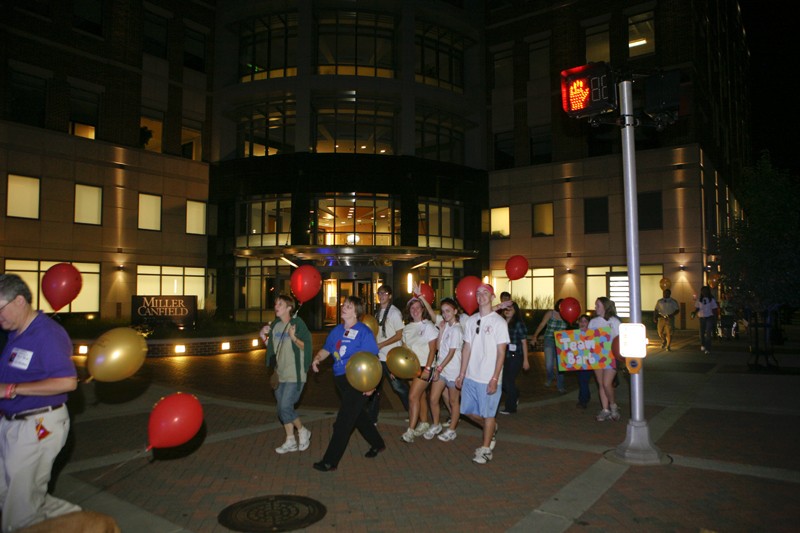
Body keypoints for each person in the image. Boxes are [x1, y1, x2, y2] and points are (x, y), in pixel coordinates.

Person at [0, 274, 81, 531]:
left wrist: (12, 390)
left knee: (19, 510)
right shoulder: (16, 333)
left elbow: (68, 381)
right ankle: (83, 522)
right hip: (13, 423)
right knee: (11, 495)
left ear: (20, 301)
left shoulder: (47, 334)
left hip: (39, 424)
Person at [310, 296, 385, 471]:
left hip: (358, 381)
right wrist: (317, 358)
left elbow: (373, 360)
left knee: (343, 422)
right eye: (344, 305)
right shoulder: (336, 330)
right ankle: (378, 443)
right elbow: (327, 349)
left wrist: (372, 385)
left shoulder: (363, 332)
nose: (343, 308)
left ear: (356, 312)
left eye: (348, 306)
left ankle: (330, 461)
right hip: (340, 380)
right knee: (358, 416)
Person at [456, 283, 509, 465]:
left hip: (489, 377)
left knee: (488, 414)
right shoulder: (471, 321)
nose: (481, 295)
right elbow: (467, 348)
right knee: (467, 411)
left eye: (485, 293)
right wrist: (461, 374)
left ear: (492, 296)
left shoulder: (499, 322)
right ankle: (491, 427)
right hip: (471, 375)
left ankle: (485, 450)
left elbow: (501, 353)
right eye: (478, 293)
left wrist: (495, 377)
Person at [261, 294, 313, 454]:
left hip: (295, 374)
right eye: (276, 304)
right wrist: (263, 336)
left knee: (285, 406)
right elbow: (273, 349)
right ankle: (290, 440)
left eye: (280, 304)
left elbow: (308, 346)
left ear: (289, 308)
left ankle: (303, 430)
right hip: (280, 374)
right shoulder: (275, 325)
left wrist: (294, 337)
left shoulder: (298, 323)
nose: (276, 307)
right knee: (282, 409)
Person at [417, 296, 463, 441]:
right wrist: (421, 297)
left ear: (455, 311)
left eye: (448, 311)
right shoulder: (446, 326)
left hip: (453, 370)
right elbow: (438, 348)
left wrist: (439, 368)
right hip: (441, 369)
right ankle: (436, 424)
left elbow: (451, 353)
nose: (445, 314)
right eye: (443, 311)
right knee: (433, 398)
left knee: (453, 401)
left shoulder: (457, 329)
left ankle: (452, 429)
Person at [399, 298, 439, 443]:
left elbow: (433, 349)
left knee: (412, 397)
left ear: (423, 310)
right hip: (411, 367)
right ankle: (424, 422)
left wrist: (428, 368)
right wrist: (396, 369)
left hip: (425, 366)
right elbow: (404, 350)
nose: (415, 310)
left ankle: (410, 431)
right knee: (420, 396)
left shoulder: (428, 326)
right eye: (412, 308)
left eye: (418, 307)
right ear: (409, 311)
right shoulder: (407, 328)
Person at [367, 285, 408, 424]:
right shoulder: (378, 312)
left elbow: (399, 335)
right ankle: (372, 418)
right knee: (374, 389)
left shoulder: (394, 313)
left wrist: (382, 345)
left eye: (384, 293)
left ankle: (414, 413)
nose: (381, 295)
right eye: (379, 293)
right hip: (379, 357)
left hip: (391, 358)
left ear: (390, 296)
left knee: (399, 388)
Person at [589, 297, 621, 422]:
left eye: (598, 305)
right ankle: (605, 409)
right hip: (597, 356)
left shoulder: (615, 321)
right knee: (601, 383)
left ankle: (613, 406)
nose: (595, 307)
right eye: (595, 305)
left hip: (611, 356)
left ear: (605, 306)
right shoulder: (593, 322)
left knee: (607, 383)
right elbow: (589, 339)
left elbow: (620, 339)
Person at [531, 299, 568, 393]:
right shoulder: (550, 313)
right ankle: (549, 377)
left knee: (561, 365)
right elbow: (542, 324)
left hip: (561, 341)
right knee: (549, 364)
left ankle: (561, 386)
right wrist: (535, 336)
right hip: (549, 339)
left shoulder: (567, 314)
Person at [499, 302, 529, 415]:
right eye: (506, 309)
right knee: (503, 382)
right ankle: (515, 394)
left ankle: (510, 407)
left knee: (508, 380)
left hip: (515, 356)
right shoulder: (501, 322)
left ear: (515, 310)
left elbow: (524, 342)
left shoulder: (518, 324)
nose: (507, 310)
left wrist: (526, 360)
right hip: (504, 356)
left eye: (510, 309)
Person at [575, 314, 593, 409]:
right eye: (581, 321)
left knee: (583, 380)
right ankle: (585, 396)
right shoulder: (574, 334)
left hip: (589, 361)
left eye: (585, 321)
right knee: (582, 381)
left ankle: (583, 400)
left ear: (589, 323)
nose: (582, 323)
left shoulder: (593, 334)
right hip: (578, 361)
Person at [694, 285, 718, 355]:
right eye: (703, 290)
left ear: (708, 291)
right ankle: (703, 344)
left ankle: (708, 349)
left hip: (709, 317)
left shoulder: (711, 300)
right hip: (701, 318)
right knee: (701, 333)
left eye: (706, 290)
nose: (704, 292)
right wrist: (694, 313)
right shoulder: (699, 299)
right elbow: (697, 308)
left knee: (708, 334)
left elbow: (714, 309)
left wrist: (715, 317)